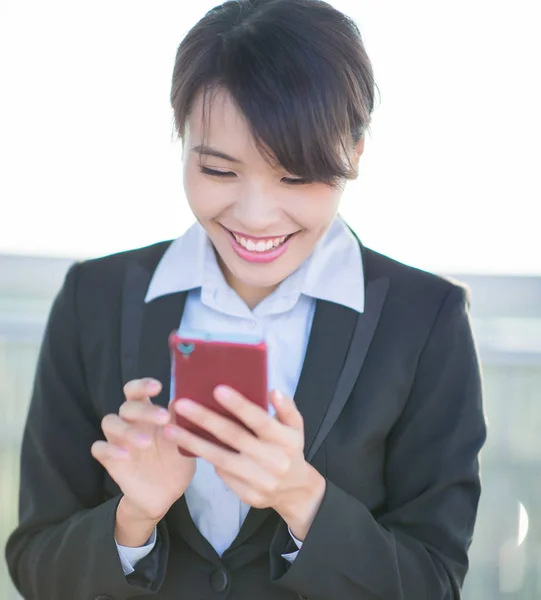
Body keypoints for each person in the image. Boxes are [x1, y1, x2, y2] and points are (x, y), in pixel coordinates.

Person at [5, 1, 487, 599]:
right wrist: (133, 519)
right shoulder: (95, 299)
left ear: (356, 151)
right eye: (219, 170)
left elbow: (434, 583)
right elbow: (34, 564)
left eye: (295, 176)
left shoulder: (426, 320)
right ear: (181, 140)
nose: (256, 216)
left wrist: (300, 496)